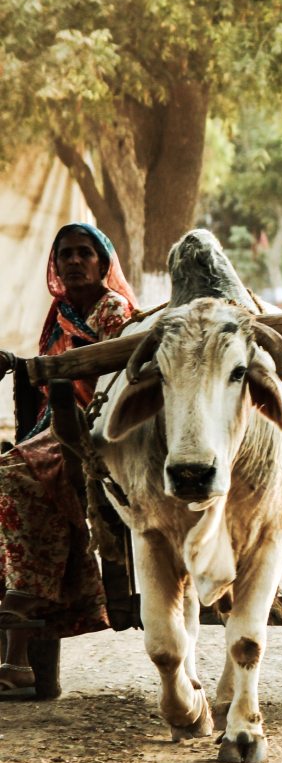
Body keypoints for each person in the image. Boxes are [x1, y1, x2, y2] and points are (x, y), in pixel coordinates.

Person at [0, 223, 137, 697]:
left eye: (85, 253)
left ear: (104, 263)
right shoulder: (60, 313)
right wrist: (18, 368)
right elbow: (46, 379)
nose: (75, 262)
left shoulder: (113, 310)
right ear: (54, 265)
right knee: (16, 476)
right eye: (66, 255)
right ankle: (20, 661)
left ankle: (17, 660)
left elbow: (111, 379)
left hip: (104, 426)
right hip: (56, 426)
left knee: (17, 480)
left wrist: (36, 372)